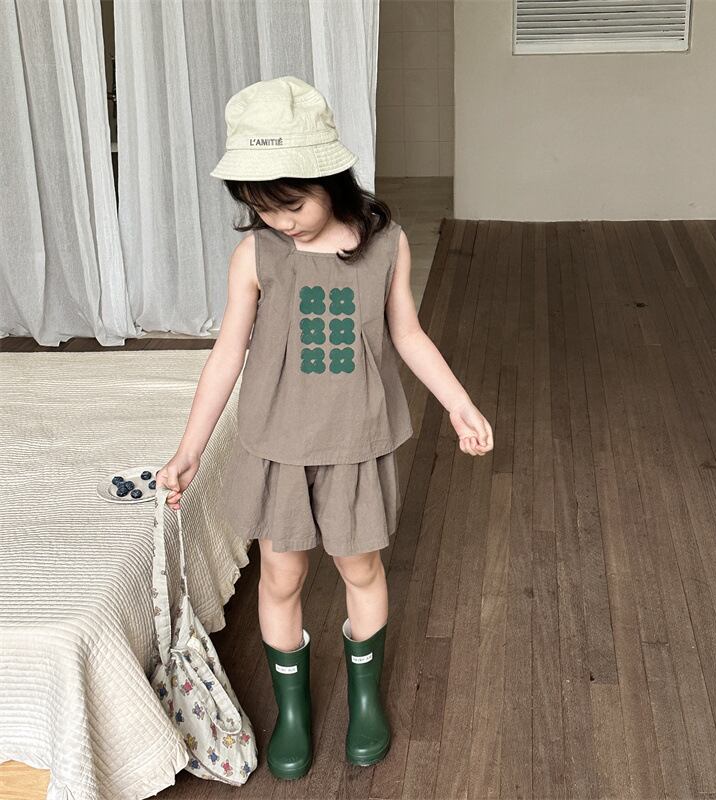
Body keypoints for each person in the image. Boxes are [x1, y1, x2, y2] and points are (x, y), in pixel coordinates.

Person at [155, 76, 493, 782]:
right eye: (260, 206)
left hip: (355, 444)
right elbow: (227, 356)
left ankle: (365, 701)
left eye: (291, 204)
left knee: (360, 567)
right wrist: (188, 450)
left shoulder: (387, 246)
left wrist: (458, 402)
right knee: (281, 575)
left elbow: (408, 334)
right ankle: (294, 710)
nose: (279, 221)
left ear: (329, 178)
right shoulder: (255, 257)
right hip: (279, 447)